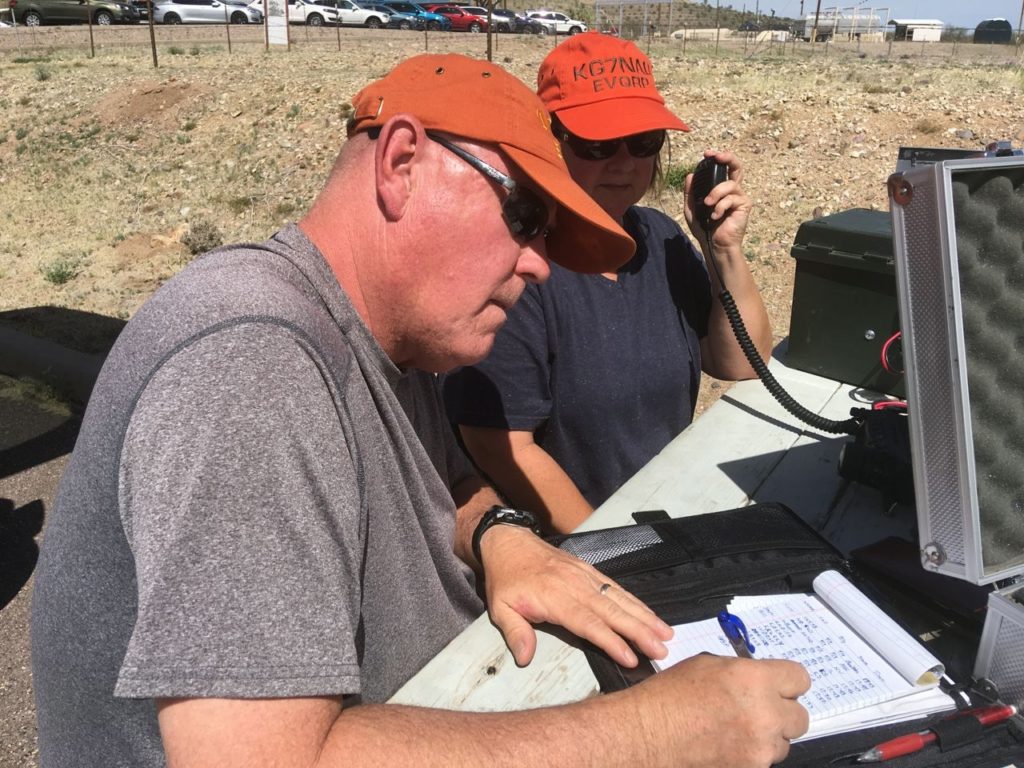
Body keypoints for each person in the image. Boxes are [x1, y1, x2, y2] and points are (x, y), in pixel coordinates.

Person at [30, 53, 808, 768]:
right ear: (401, 162)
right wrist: (651, 733)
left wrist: (501, 535)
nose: (538, 264)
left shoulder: (392, 336)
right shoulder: (252, 363)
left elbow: (442, 479)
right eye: (524, 218)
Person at [443, 33, 774, 533]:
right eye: (597, 143)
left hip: (662, 518)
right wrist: (616, 552)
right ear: (549, 141)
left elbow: (741, 363)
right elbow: (501, 444)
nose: (624, 163)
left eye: (643, 142)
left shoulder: (659, 239)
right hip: (569, 551)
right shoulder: (518, 264)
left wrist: (722, 249)